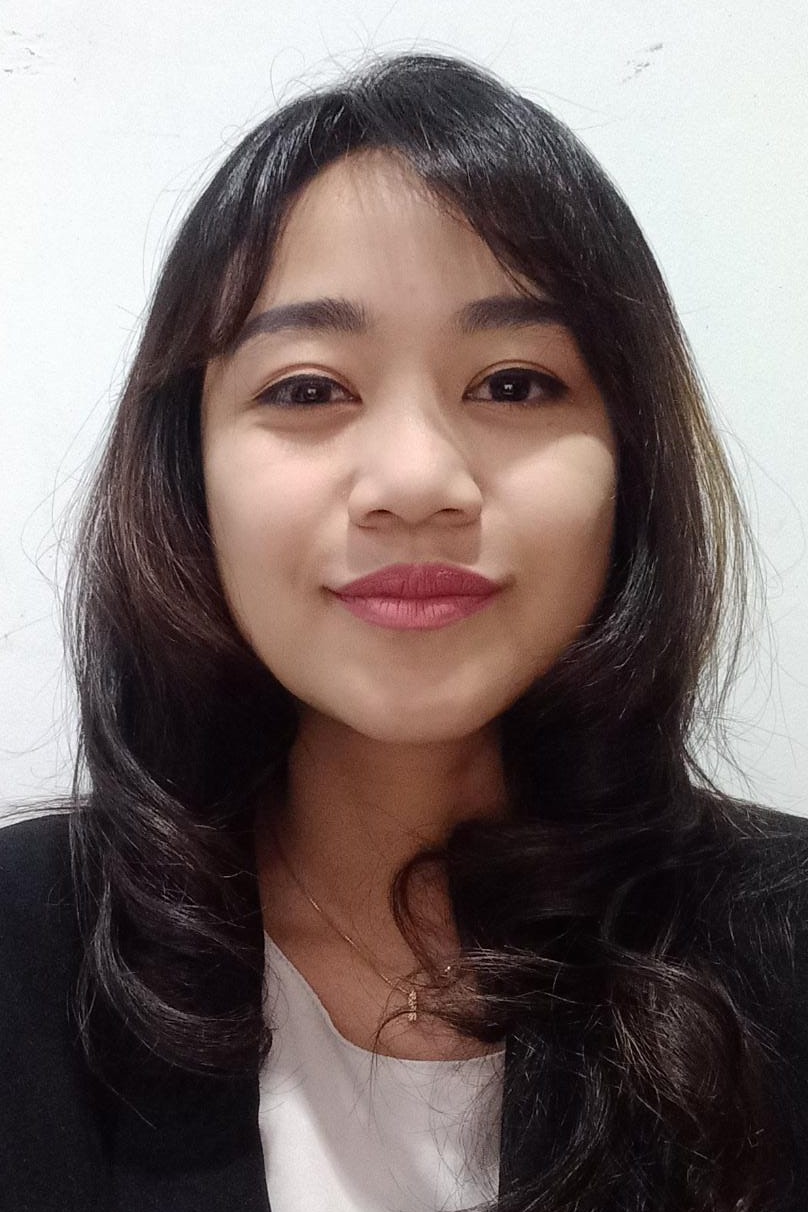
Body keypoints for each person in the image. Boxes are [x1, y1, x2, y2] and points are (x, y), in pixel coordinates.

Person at [1, 50, 806, 1212]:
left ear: (628, 468)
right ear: (190, 472)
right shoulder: (27, 952)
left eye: (514, 384)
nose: (417, 480)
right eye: (309, 389)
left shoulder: (783, 944)